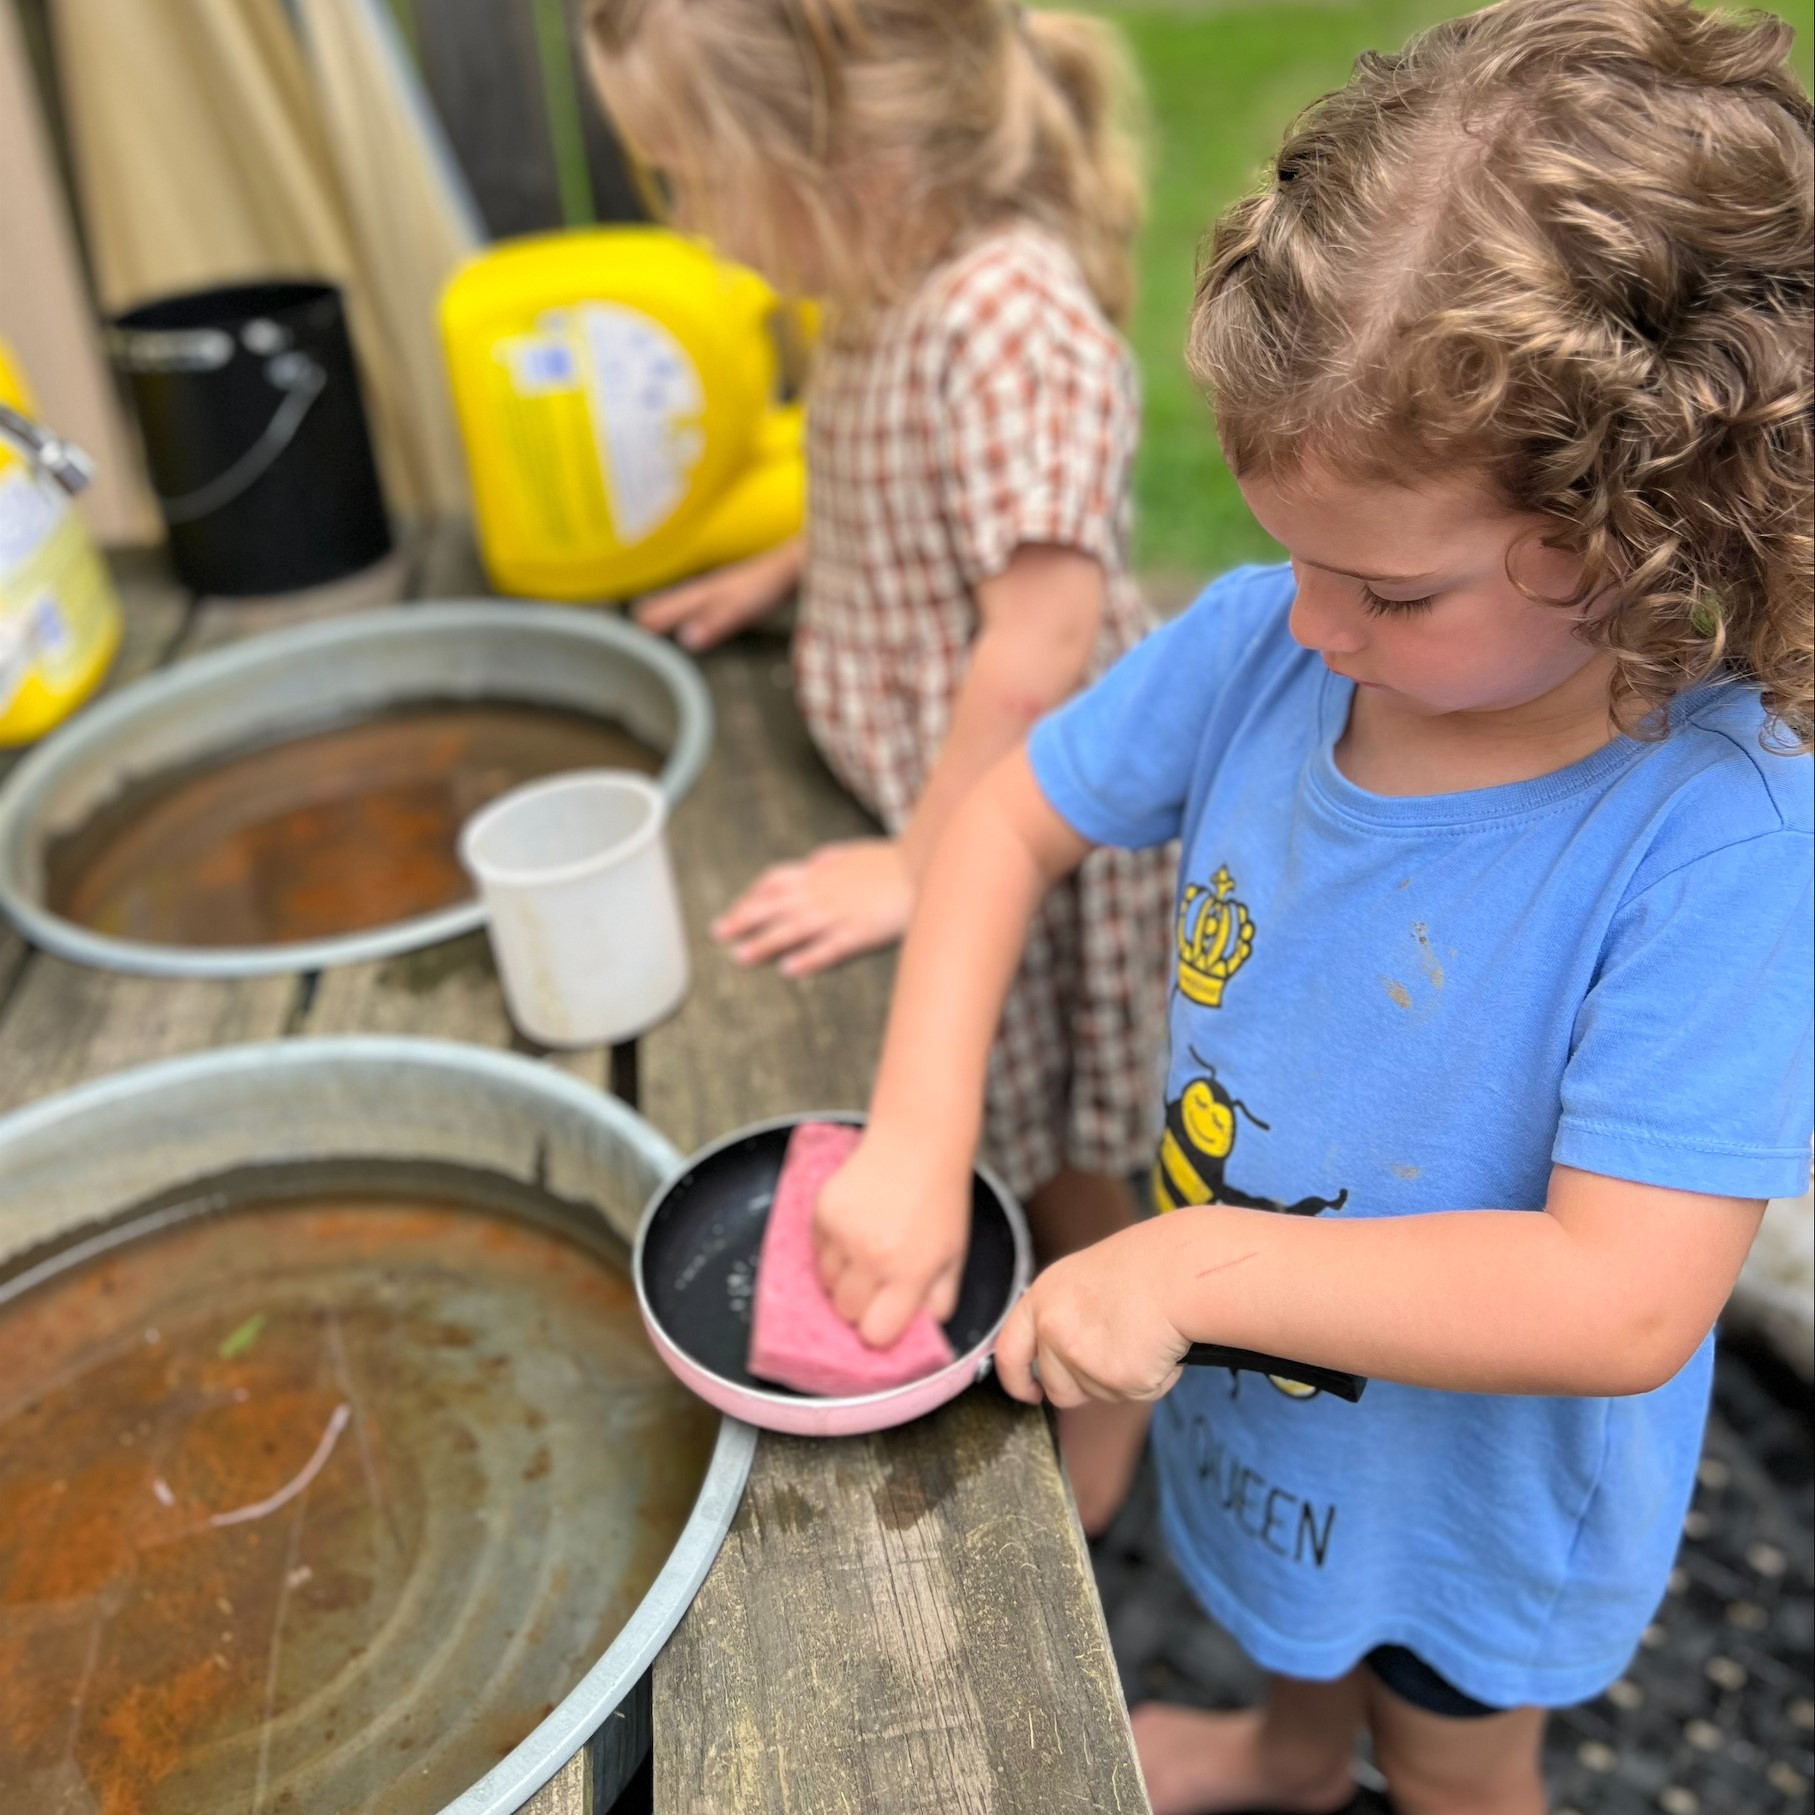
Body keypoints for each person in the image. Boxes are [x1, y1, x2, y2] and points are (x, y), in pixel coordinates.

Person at [810, 2, 1815, 1810]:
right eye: (1291, 556)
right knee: (1286, 1624)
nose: (1305, 625)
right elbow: (996, 830)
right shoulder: (1269, 660)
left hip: (1476, 1502)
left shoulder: (1719, 842)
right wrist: (913, 1132)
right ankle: (1285, 1759)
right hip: (1248, 1401)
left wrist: (1196, 1259)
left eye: (1388, 591)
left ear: (1656, 524)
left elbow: (1622, 1302)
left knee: (1447, 1760)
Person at [585, 0, 1175, 1527]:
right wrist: (791, 565)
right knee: (999, 1122)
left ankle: (1108, 1405)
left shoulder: (1007, 317)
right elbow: (925, 498)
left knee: (1055, 1150)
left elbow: (1036, 644)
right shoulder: (889, 275)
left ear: (843, 152)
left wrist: (922, 861)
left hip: (1017, 834)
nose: (694, 228)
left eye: (690, 175)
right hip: (931, 787)